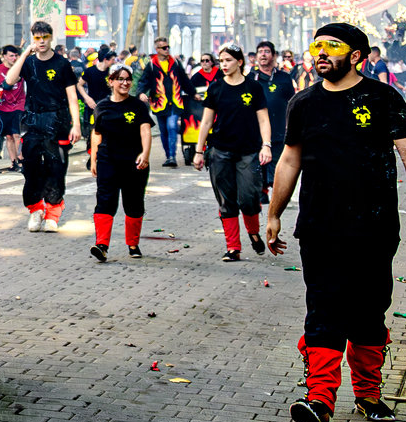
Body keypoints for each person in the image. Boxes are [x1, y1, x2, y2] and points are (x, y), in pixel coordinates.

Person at [268, 23, 406, 422]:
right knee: (323, 308)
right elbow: (289, 159)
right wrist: (273, 213)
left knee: (368, 311)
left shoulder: (382, 97)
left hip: (374, 227)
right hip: (319, 227)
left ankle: (368, 394)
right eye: (317, 46)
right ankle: (320, 398)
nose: (321, 53)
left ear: (356, 55)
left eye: (332, 46)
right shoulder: (303, 102)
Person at [193, 45, 272, 261]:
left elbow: (263, 119)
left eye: (228, 60)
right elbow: (206, 121)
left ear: (240, 62)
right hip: (220, 151)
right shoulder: (216, 88)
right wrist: (199, 151)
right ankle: (233, 247)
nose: (224, 65)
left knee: (249, 198)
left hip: (249, 151)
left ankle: (253, 232)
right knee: (226, 200)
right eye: (221, 61)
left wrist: (266, 145)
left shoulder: (253, 87)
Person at [3, 21, 82, 232]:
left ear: (51, 37)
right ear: (33, 39)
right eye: (37, 38)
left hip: (58, 121)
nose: (41, 41)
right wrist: (25, 53)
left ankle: (53, 213)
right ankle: (36, 210)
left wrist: (76, 125)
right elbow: (9, 81)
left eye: (45, 37)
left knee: (56, 167)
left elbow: (72, 97)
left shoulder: (62, 64)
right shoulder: (28, 62)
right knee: (31, 168)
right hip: (32, 121)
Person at [88, 65, 152, 262]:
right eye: (120, 79)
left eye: (128, 79)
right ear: (111, 82)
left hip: (134, 162)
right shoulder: (102, 107)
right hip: (107, 160)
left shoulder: (138, 106)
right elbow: (96, 133)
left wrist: (145, 154)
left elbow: (145, 130)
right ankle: (102, 245)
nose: (125, 83)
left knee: (134, 203)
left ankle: (133, 244)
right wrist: (93, 159)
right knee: (105, 201)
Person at [250, 40, 296, 205]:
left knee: (278, 165)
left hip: (279, 129)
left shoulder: (284, 78)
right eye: (260, 51)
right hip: (256, 130)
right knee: (259, 164)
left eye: (267, 51)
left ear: (274, 55)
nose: (263, 55)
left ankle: (278, 195)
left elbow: (292, 102)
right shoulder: (250, 79)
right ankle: (262, 192)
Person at [137, 36, 191, 167]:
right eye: (164, 47)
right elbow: (143, 81)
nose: (167, 49)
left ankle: (172, 156)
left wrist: (193, 93)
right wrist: (141, 93)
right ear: (157, 49)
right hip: (159, 103)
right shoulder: (151, 65)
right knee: (164, 131)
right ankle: (168, 156)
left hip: (175, 102)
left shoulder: (176, 63)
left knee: (172, 126)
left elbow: (184, 80)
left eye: (168, 47)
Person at [0, 45, 26, 172]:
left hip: (18, 104)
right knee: (8, 136)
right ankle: (13, 162)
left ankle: (21, 159)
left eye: (16, 55)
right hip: (2, 106)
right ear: (4, 56)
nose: (14, 58)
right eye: (11, 56)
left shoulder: (21, 68)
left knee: (16, 134)